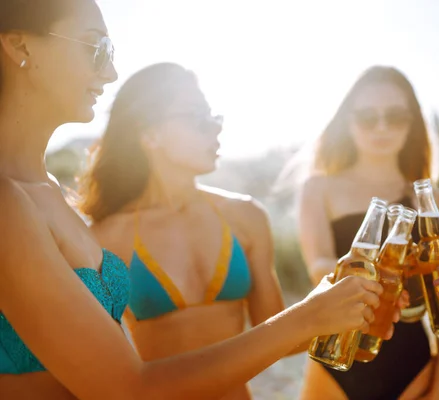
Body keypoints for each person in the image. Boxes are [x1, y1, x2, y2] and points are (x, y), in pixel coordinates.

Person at [0, 1, 403, 398]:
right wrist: (310, 316)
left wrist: (334, 304)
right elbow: (128, 385)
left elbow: (273, 328)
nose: (110, 71)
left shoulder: (48, 192)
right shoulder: (15, 203)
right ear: (20, 47)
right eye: (94, 46)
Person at [79, 62, 291, 400]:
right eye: (196, 117)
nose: (214, 130)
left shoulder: (246, 216)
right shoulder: (103, 239)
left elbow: (287, 334)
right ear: (149, 135)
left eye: (213, 117)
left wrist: (350, 291)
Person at [297, 65, 439, 400]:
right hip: (337, 351)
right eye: (367, 117)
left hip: (411, 362)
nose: (381, 127)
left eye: (395, 117)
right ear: (347, 121)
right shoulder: (319, 188)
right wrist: (374, 283)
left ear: (413, 123)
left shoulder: (430, 200)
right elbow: (318, 266)